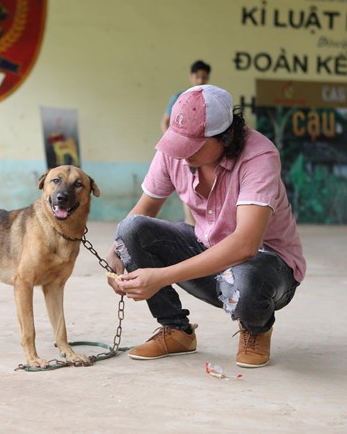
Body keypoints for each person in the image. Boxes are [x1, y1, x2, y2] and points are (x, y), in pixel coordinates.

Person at [106, 85, 305, 368]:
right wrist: (117, 250)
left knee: (247, 279)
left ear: (227, 136)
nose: (183, 153)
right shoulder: (175, 152)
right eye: (179, 142)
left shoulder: (259, 157)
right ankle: (176, 330)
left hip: (267, 266)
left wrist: (160, 277)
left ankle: (256, 328)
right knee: (130, 231)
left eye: (193, 145)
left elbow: (246, 245)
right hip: (209, 250)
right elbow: (144, 211)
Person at [160, 60, 211, 226]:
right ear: (191, 77)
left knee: (204, 187)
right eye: (197, 76)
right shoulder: (179, 97)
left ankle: (204, 224)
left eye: (204, 77)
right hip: (185, 149)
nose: (200, 80)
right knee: (188, 187)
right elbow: (164, 122)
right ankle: (190, 225)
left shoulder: (210, 98)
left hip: (204, 151)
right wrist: (174, 145)